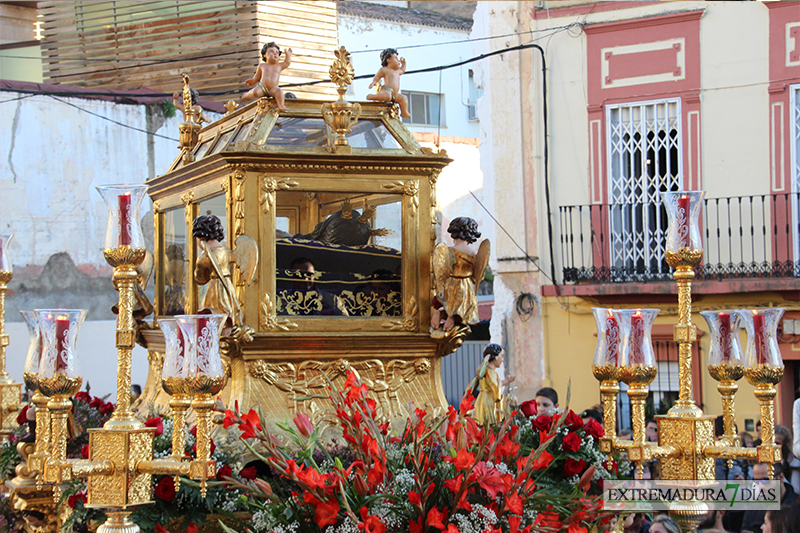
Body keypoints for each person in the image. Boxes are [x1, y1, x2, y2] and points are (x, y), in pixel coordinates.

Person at [432, 217, 490, 331]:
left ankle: (441, 314)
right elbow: (478, 277)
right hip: (466, 285)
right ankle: (452, 317)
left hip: (451, 283)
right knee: (465, 309)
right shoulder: (473, 253)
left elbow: (441, 271)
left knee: (451, 305)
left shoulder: (449, 251)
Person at [741, 462, 798, 533]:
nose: (760, 486)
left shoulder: (796, 507)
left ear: (780, 477)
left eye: (766, 480)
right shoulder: (754, 507)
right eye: (756, 481)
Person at [472, 344, 515, 426]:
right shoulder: (490, 372)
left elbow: (496, 384)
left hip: (484, 399)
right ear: (495, 357)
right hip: (488, 401)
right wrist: (499, 398)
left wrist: (507, 381)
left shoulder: (488, 370)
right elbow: (495, 387)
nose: (502, 360)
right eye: (501, 356)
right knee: (488, 425)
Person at [242, 41, 293, 109]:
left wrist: (288, 55)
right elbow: (257, 76)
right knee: (255, 92)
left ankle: (281, 105)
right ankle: (247, 95)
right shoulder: (262, 66)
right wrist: (253, 81)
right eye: (271, 51)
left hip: (273, 88)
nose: (275, 54)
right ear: (264, 55)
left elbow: (287, 63)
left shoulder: (279, 66)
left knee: (279, 92)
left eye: (277, 53)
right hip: (262, 87)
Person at [366, 48, 411, 118]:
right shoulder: (384, 70)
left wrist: (404, 63)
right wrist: (374, 82)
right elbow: (377, 77)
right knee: (387, 96)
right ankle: (374, 97)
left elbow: (402, 69)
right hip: (387, 90)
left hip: (395, 94)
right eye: (396, 58)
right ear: (388, 59)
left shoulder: (397, 71)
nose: (398, 60)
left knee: (403, 98)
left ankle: (404, 112)